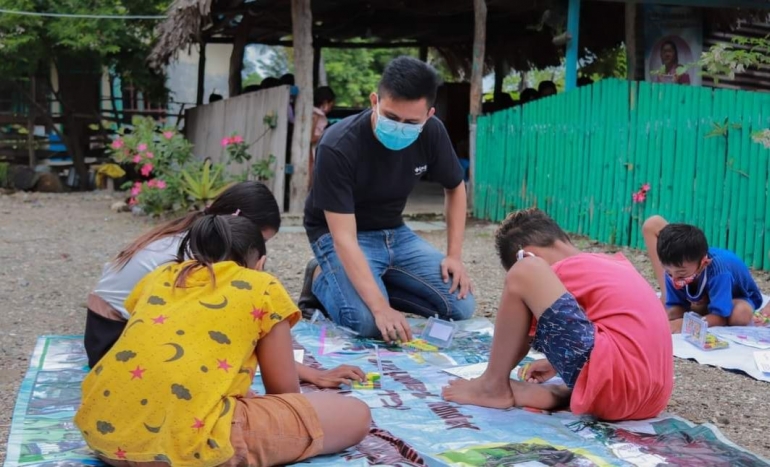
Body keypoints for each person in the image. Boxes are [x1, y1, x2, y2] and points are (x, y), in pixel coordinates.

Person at [74, 214, 371, 467]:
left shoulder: (161, 276)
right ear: (260, 263)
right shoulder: (262, 285)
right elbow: (283, 393)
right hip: (185, 446)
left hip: (105, 436)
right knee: (355, 414)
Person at [85, 181, 365, 389]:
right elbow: (229, 334)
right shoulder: (190, 261)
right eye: (260, 242)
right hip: (113, 345)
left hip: (106, 336)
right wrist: (311, 374)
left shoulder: (192, 238)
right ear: (235, 228)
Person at [299, 56, 475, 342]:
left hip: (395, 233)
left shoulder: (432, 132)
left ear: (429, 115)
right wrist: (380, 308)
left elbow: (455, 187)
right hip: (341, 235)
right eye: (391, 117)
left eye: (411, 122)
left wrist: (454, 256)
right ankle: (321, 276)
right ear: (374, 101)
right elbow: (344, 238)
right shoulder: (338, 145)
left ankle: (369, 280)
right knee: (367, 323)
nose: (399, 127)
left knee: (461, 306)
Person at [442, 208, 673, 422]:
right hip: (651, 400)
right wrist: (556, 362)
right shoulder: (612, 264)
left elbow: (521, 336)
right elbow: (613, 331)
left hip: (618, 386)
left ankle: (492, 386)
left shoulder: (551, 269)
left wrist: (521, 273)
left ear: (528, 254)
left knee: (524, 274)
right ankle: (559, 394)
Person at [642, 216, 763, 333]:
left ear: (703, 263)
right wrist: (665, 321)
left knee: (739, 315)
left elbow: (720, 318)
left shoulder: (719, 271)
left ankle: (711, 308)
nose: (674, 278)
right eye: (668, 272)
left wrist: (685, 324)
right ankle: (706, 308)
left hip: (737, 297)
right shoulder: (674, 270)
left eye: (682, 273)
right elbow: (676, 308)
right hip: (707, 298)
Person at [308, 86, 336, 189]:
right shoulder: (316, 115)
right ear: (324, 102)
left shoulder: (315, 114)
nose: (330, 109)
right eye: (331, 105)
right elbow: (310, 138)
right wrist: (327, 135)